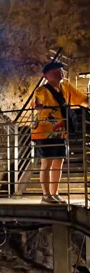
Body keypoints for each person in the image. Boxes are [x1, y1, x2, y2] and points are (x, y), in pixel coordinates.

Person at [31, 59, 90, 204]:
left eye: (61, 69)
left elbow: (83, 100)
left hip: (61, 130)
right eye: (56, 70)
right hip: (45, 131)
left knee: (59, 162)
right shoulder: (42, 90)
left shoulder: (66, 88)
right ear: (46, 76)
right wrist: (40, 106)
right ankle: (46, 195)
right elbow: (37, 104)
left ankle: (54, 193)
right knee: (47, 162)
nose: (60, 72)